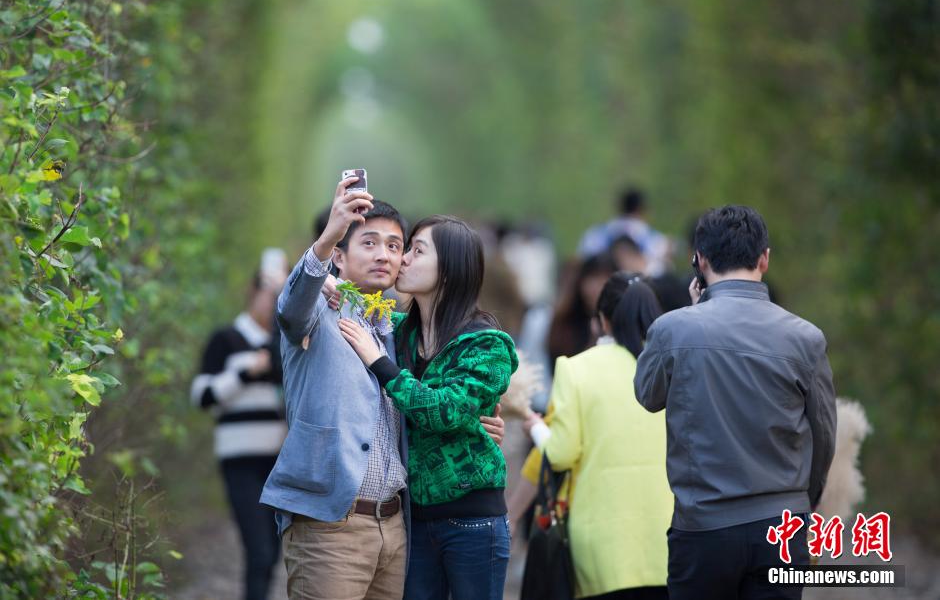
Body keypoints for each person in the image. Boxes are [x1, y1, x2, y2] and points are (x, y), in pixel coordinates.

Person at [260, 178, 503, 600]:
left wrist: (480, 426)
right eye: (369, 243)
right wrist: (327, 237)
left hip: (396, 528)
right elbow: (291, 307)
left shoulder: (395, 330)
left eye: (396, 246)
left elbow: (438, 393)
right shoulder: (318, 308)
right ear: (339, 256)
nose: (386, 255)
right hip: (330, 523)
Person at [634, 205, 837, 600]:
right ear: (764, 258)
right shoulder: (806, 338)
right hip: (783, 526)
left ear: (700, 260)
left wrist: (692, 313)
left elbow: (648, 396)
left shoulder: (673, 328)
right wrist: (803, 503)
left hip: (703, 528)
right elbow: (825, 434)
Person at [339, 215, 518, 600]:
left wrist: (379, 363)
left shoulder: (488, 345)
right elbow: (338, 295)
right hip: (413, 521)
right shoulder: (396, 332)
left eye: (416, 250)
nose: (401, 258)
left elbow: (446, 411)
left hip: (472, 520)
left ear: (450, 271)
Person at [522, 272, 671, 599]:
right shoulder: (672, 368)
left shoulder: (576, 369)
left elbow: (561, 454)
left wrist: (535, 427)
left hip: (604, 544)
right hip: (670, 538)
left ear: (601, 320)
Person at [190, 256, 288, 600]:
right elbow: (201, 396)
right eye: (270, 292)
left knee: (273, 553)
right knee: (259, 550)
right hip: (240, 461)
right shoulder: (226, 339)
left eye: (282, 294)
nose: (274, 301)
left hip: (279, 464)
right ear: (253, 292)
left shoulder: (287, 345)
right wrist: (245, 373)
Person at [577, 188, 671, 276]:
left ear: (619, 207)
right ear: (643, 210)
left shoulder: (594, 234)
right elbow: (659, 274)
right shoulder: (657, 241)